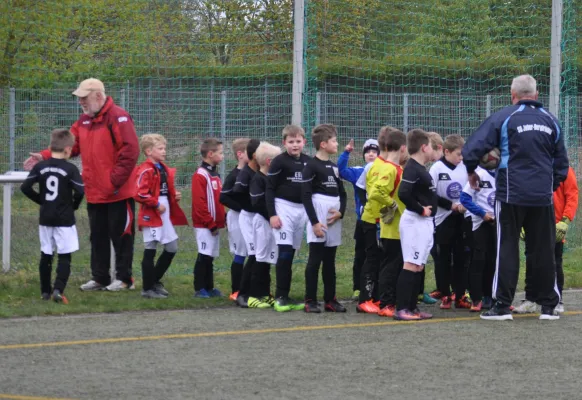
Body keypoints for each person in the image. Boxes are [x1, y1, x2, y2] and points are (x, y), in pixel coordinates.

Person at [462, 74, 569, 321]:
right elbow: (562, 165)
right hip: (542, 197)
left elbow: (473, 147)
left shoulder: (505, 116)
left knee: (506, 248)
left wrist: (471, 171)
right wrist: (548, 185)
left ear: (513, 95)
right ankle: (549, 306)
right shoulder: (551, 121)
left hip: (511, 194)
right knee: (544, 250)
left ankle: (501, 306)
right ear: (537, 94)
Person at [24, 78, 140, 292]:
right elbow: (68, 146)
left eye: (84, 98)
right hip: (95, 192)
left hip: (117, 193)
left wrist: (114, 181)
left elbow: (130, 151)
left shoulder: (118, 117)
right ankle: (100, 278)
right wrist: (44, 156)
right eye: (79, 99)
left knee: (121, 236)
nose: (81, 103)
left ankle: (124, 279)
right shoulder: (83, 122)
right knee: (97, 237)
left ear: (98, 95)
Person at [21, 129, 85, 304]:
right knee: (65, 255)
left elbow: (25, 188)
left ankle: (44, 292)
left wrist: (42, 201)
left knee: (46, 254)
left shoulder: (40, 166)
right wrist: (73, 206)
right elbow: (80, 191)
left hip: (46, 217)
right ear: (67, 150)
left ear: (50, 147)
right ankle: (58, 289)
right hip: (65, 219)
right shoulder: (70, 169)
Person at [515, 166, 578, 314]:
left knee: (554, 262)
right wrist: (522, 223)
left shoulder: (564, 169)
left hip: (554, 224)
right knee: (531, 260)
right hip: (533, 223)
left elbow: (572, 195)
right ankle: (531, 299)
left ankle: (557, 300)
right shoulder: (532, 167)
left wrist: (565, 220)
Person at [134, 134, 188, 299]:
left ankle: (154, 280)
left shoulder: (162, 168)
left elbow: (163, 190)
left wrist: (174, 196)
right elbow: (138, 193)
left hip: (164, 214)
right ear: (149, 151)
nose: (164, 151)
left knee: (172, 248)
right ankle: (147, 288)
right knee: (150, 248)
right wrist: (156, 204)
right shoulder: (145, 169)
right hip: (152, 215)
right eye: (160, 148)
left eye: (165, 148)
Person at [302, 124, 347, 313]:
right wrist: (314, 222)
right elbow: (305, 195)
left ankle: (330, 299)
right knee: (315, 258)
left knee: (330, 260)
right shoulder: (311, 165)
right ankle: (310, 300)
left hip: (332, 216)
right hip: (319, 213)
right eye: (334, 141)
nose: (337, 144)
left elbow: (343, 193)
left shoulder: (334, 167)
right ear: (323, 144)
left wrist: (341, 212)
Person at [266, 125, 311, 312]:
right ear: (284, 143)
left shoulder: (309, 161)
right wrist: (272, 214)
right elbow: (269, 188)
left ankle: (286, 294)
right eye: (291, 142)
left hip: (301, 211)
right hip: (283, 208)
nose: (295, 145)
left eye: (298, 141)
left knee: (291, 253)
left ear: (304, 142)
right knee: (284, 252)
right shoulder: (278, 162)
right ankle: (280, 296)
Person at [364, 127, 408, 318]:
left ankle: (388, 300)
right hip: (392, 227)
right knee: (391, 264)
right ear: (403, 148)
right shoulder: (390, 168)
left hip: (394, 226)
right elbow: (376, 192)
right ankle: (386, 303)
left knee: (392, 263)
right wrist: (393, 206)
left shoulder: (391, 167)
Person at [394, 129, 437, 321]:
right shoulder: (412, 167)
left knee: (418, 265)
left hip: (425, 223)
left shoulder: (420, 168)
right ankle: (402, 309)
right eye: (430, 146)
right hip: (415, 222)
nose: (432, 150)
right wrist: (421, 209)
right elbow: (403, 193)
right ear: (423, 147)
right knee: (411, 264)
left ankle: (413, 308)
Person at [429, 135, 471, 310]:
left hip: (461, 218)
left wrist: (464, 204)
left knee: (461, 257)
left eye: (462, 155)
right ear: (446, 151)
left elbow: (471, 190)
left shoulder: (466, 167)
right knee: (443, 258)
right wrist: (450, 205)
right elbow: (431, 194)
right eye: (458, 154)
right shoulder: (436, 169)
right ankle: (445, 294)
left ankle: (460, 294)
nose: (461, 158)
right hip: (443, 219)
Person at [337, 138, 379, 300]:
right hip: (363, 221)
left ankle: (374, 286)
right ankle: (357, 287)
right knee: (360, 254)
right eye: (368, 152)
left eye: (374, 152)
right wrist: (346, 152)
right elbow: (341, 170)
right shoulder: (358, 171)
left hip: (380, 221)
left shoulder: (383, 171)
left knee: (376, 255)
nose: (371, 154)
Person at [247, 142, 283, 309]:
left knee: (267, 258)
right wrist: (271, 216)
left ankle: (265, 293)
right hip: (262, 222)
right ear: (270, 162)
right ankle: (253, 295)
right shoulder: (258, 179)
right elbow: (257, 203)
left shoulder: (271, 179)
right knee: (259, 256)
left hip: (270, 222)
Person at [191, 138, 226, 298]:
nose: (223, 156)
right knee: (203, 255)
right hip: (205, 225)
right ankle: (199, 288)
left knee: (210, 256)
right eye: (220, 152)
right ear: (210, 154)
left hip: (214, 224)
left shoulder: (215, 174)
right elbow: (199, 203)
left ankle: (209, 287)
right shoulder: (200, 175)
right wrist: (209, 223)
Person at [460, 165, 497, 311]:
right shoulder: (479, 174)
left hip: (498, 224)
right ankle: (476, 298)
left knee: (494, 261)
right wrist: (482, 213)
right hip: (481, 223)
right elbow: (464, 198)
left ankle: (492, 297)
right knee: (478, 260)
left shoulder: (504, 174)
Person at [219, 138, 251, 301]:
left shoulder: (252, 172)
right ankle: (236, 290)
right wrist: (243, 208)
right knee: (240, 253)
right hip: (237, 218)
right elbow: (223, 197)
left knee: (252, 253)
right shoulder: (234, 175)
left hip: (251, 218)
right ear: (240, 154)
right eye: (250, 152)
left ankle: (249, 289)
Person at [232, 139, 261, 307]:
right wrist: (250, 205)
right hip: (248, 217)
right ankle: (242, 293)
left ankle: (257, 291)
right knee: (253, 254)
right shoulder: (245, 173)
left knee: (260, 255)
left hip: (258, 217)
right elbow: (236, 193)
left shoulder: (261, 172)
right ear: (255, 155)